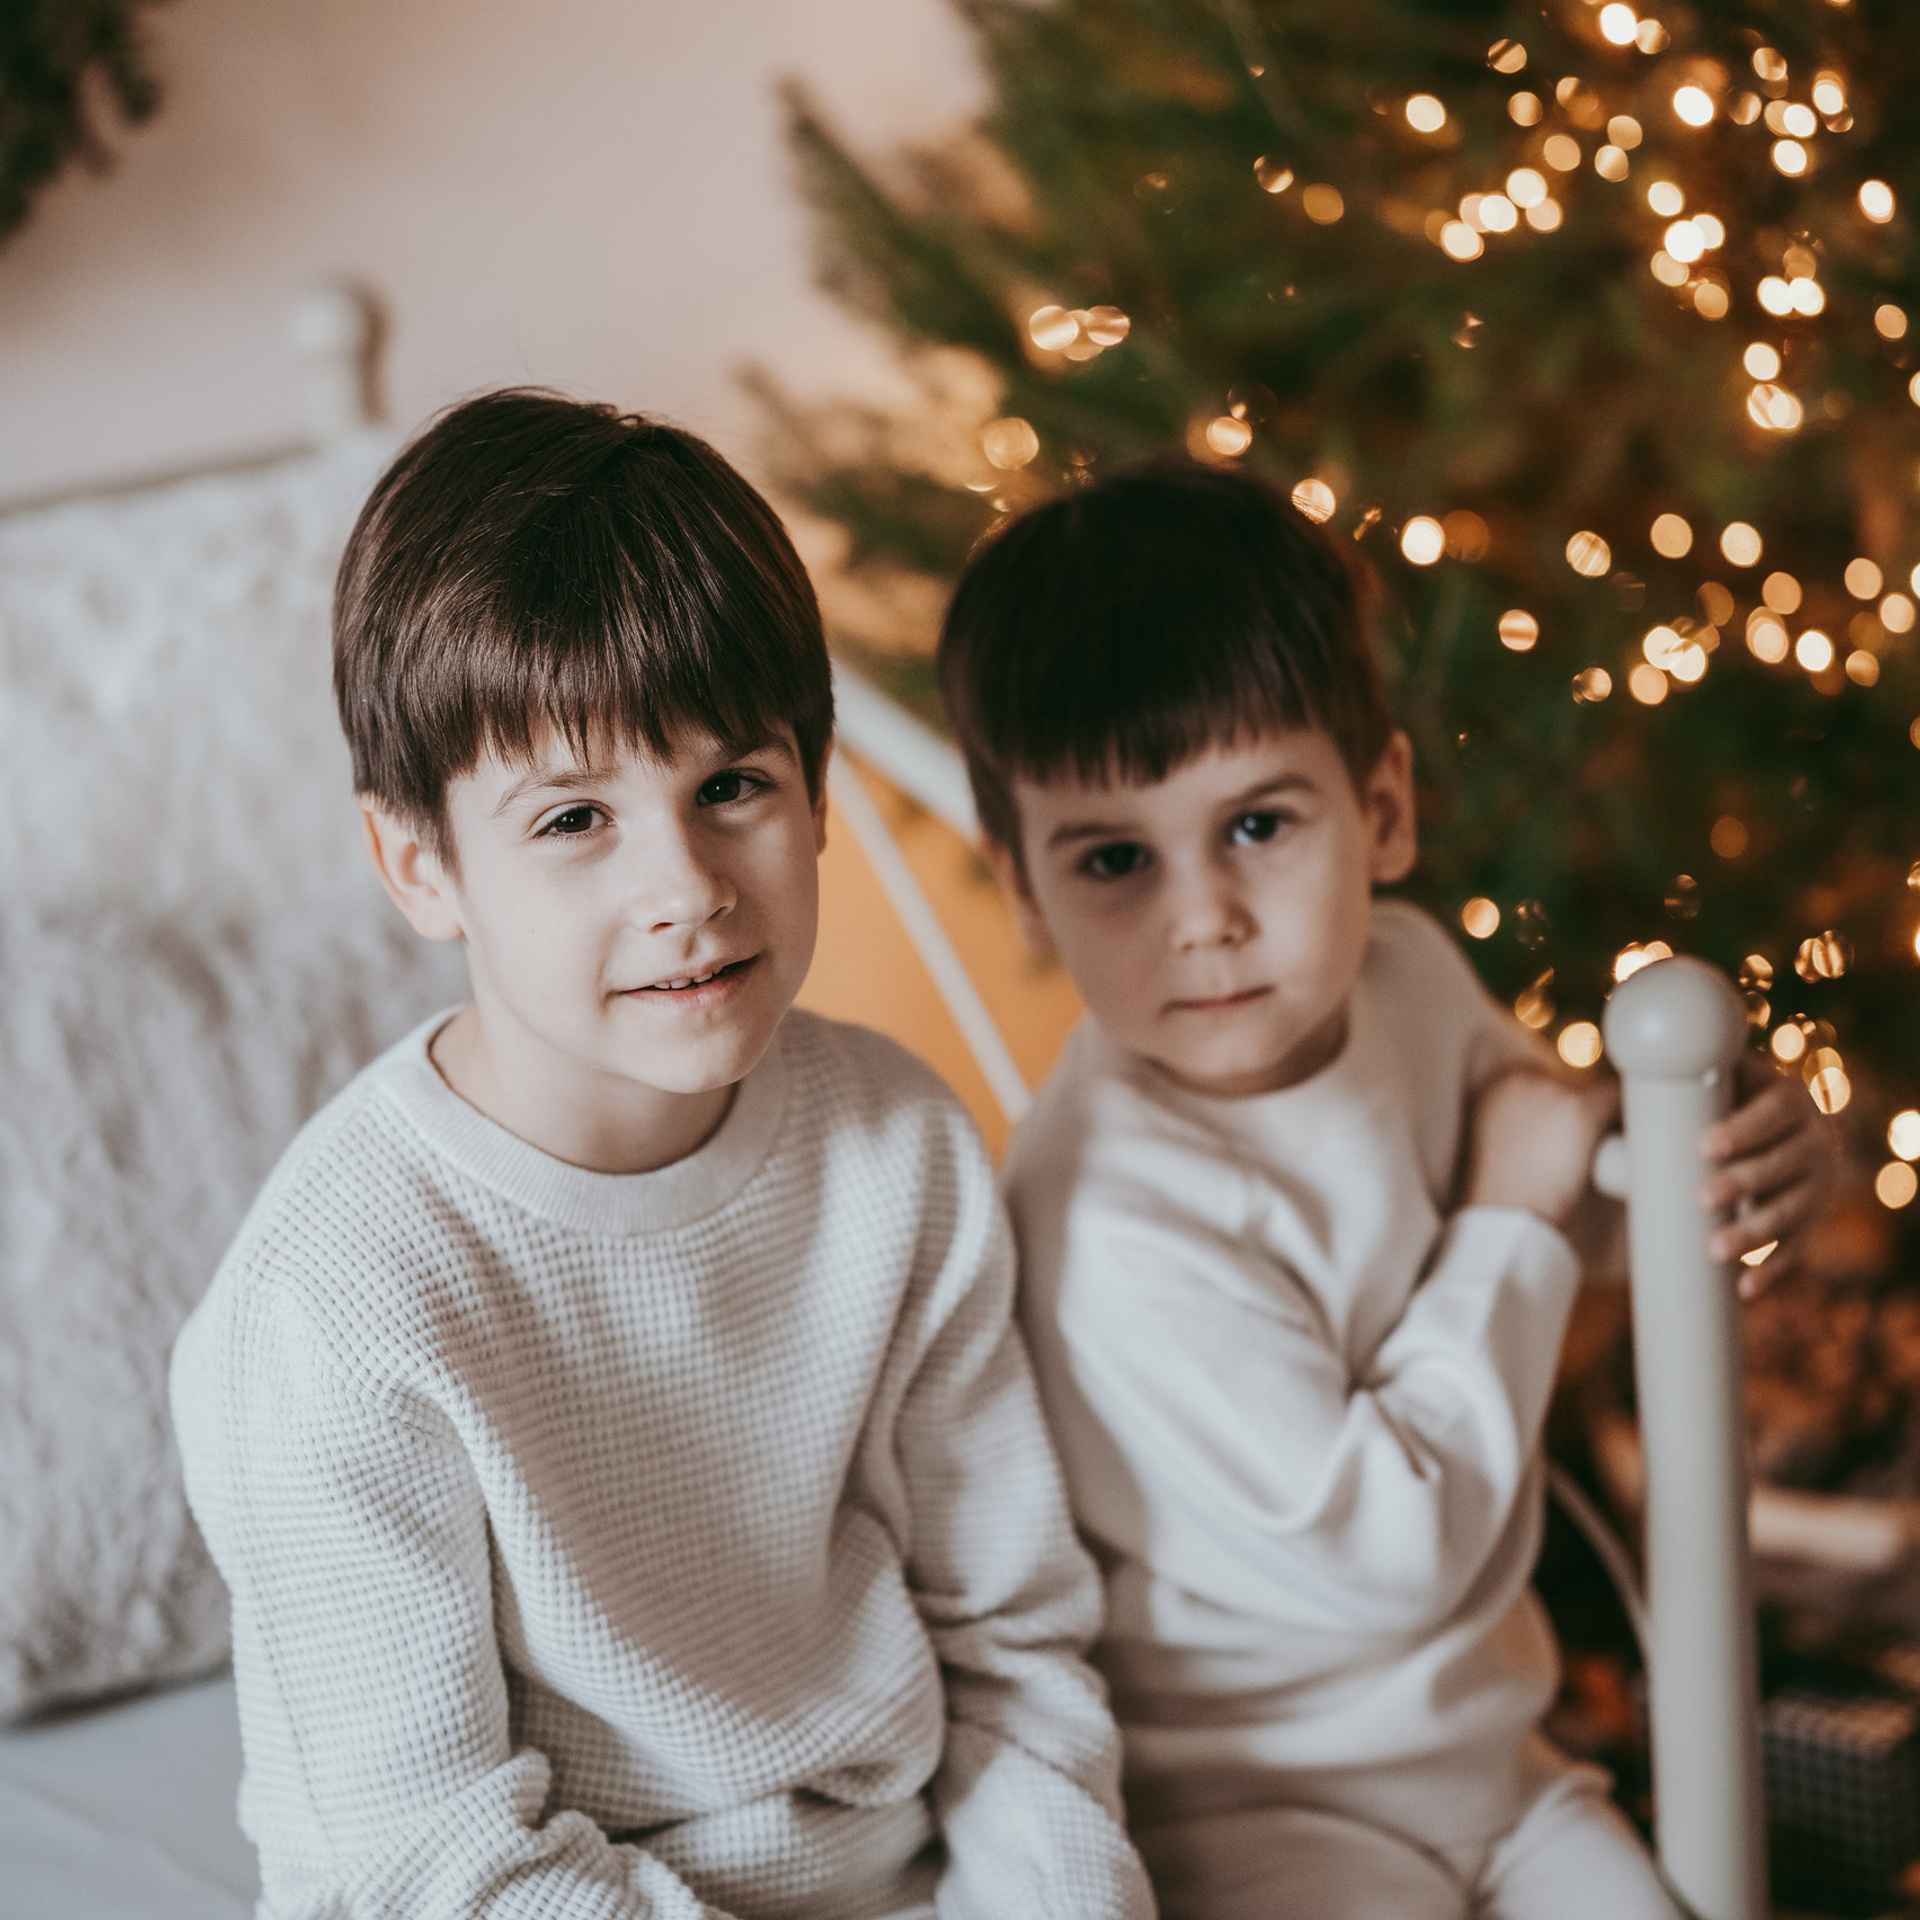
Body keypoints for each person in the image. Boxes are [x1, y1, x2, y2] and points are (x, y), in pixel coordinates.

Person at [170, 391, 1153, 1920]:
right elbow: (431, 1863)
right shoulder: (331, 1309)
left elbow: (1013, 1653)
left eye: (732, 788)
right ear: (421, 865)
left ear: (819, 796)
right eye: (574, 820)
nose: (685, 887)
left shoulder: (899, 1149)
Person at [936, 456, 1833, 1920]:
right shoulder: (1103, 1216)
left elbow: (1570, 1211)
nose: (1205, 921)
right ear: (1027, 893)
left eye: (1258, 825)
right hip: (1255, 1805)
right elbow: (1390, 1548)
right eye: (1113, 859)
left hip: (1504, 1767)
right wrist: (1506, 1222)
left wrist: (1738, 1165)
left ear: (1386, 809)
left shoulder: (1408, 976)